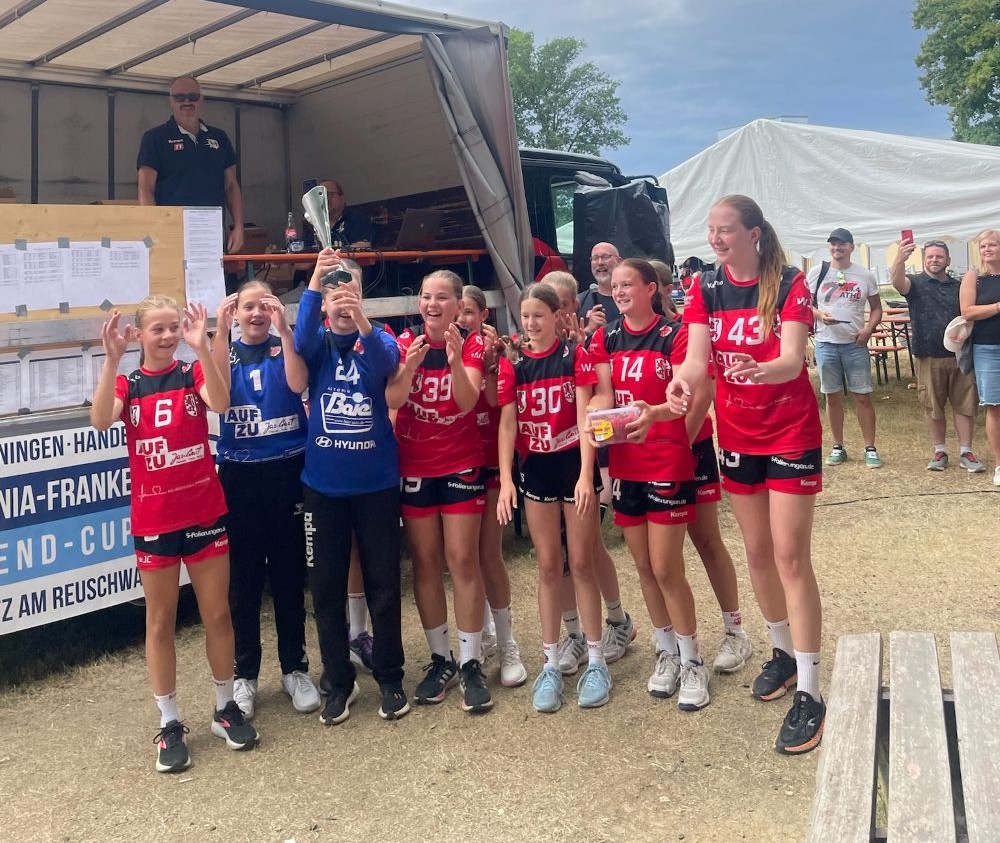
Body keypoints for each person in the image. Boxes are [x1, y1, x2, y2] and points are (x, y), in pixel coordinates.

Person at [668, 194, 826, 755]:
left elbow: (792, 360)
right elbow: (696, 360)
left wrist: (761, 370)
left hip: (790, 433)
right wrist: (682, 381)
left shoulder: (788, 283)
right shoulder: (704, 287)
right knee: (757, 553)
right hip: (737, 437)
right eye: (711, 230)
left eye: (726, 229)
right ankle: (782, 653)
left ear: (753, 233)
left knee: (789, 556)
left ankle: (810, 690)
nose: (715, 238)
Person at [90, 296, 258, 774]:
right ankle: (169, 722)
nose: (166, 337)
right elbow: (100, 420)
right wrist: (110, 360)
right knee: (160, 622)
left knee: (217, 614)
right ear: (140, 335)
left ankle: (225, 708)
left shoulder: (191, 372)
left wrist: (201, 346)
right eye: (157, 329)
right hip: (155, 519)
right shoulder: (129, 382)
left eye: (172, 328)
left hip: (204, 512)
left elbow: (221, 403)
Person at [289, 248, 408, 724]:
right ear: (323, 302)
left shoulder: (380, 337)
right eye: (335, 293)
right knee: (325, 590)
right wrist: (314, 281)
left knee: (384, 584)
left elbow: (384, 366)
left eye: (351, 290)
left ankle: (391, 676)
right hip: (323, 488)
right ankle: (338, 680)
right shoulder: (317, 342)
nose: (343, 299)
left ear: (362, 295)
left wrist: (361, 320)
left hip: (376, 484)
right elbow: (300, 339)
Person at [587, 259, 711, 711]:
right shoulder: (605, 337)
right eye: (615, 285)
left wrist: (658, 419)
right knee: (642, 566)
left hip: (666, 461)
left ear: (650, 289)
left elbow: (686, 398)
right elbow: (603, 394)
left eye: (627, 284)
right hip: (626, 465)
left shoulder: (673, 335)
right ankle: (666, 652)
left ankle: (692, 659)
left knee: (665, 567)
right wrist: (593, 413)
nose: (619, 291)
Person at [496, 283, 611, 712]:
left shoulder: (572, 356)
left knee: (580, 563)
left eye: (538, 315)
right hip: (537, 469)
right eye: (525, 316)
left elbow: (585, 418)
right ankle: (549, 661)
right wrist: (506, 480)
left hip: (572, 463)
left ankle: (596, 659)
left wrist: (586, 475)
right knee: (547, 565)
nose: (530, 323)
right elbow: (508, 424)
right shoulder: (514, 363)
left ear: (556, 316)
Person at [210, 283, 320, 721]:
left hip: (287, 470)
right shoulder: (226, 351)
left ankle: (295, 668)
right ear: (235, 312)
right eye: (247, 306)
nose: (256, 314)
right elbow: (218, 396)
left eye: (264, 306)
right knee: (244, 582)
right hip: (240, 476)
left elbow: (298, 383)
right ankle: (245, 675)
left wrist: (286, 331)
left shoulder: (283, 346)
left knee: (290, 575)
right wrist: (219, 333)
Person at [387, 270, 493, 714]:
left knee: (462, 559)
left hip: (460, 462)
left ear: (457, 304)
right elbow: (393, 399)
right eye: (426, 297)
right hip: (414, 465)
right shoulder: (404, 342)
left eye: (442, 298)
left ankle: (470, 662)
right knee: (425, 561)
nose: (432, 304)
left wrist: (452, 360)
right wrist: (411, 365)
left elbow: (467, 401)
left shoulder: (472, 343)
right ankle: (440, 658)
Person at [543, 270, 638, 672]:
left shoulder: (585, 347)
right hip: (550, 463)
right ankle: (575, 634)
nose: (552, 312)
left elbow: (605, 398)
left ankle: (617, 621)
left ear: (572, 306)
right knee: (561, 554)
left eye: (559, 304)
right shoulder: (532, 346)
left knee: (589, 548)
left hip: (589, 460)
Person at [456, 286, 528, 688]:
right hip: (458, 464)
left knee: (489, 553)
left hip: (491, 464)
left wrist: (490, 363)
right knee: (463, 558)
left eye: (469, 311)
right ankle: (481, 634)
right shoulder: (449, 353)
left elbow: (497, 405)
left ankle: (507, 642)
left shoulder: (498, 357)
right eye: (458, 312)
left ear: (484, 315)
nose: (462, 319)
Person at [891, 238, 984, 472]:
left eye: (939, 256)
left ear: (948, 260)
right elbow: (897, 282)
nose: (934, 260)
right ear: (924, 259)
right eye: (930, 256)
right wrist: (900, 259)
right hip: (928, 355)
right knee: (933, 406)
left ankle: (966, 452)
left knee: (965, 405)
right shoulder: (915, 284)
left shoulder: (958, 286)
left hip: (960, 355)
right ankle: (940, 451)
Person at [137, 75, 243, 254]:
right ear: (171, 101)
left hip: (210, 233)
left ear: (201, 100)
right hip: (172, 233)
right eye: (180, 97)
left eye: (192, 97)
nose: (187, 102)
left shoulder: (219, 137)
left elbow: (231, 186)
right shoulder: (155, 138)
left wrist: (238, 227)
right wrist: (154, 229)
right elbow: (145, 188)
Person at [806, 228, 883, 468]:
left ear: (851, 247)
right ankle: (837, 446)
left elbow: (877, 308)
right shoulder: (817, 272)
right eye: (833, 244)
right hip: (826, 343)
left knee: (863, 396)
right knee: (832, 397)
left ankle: (870, 448)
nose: (836, 248)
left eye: (841, 244)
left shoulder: (864, 275)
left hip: (855, 344)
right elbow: (805, 304)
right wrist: (820, 315)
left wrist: (868, 330)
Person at [960, 229, 1000, 485]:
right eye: (983, 246)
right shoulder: (974, 277)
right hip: (987, 349)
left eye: (992, 245)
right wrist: (997, 307)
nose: (987, 249)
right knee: (995, 406)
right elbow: (967, 312)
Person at [578, 242, 622, 342]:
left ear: (619, 261)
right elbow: (571, 345)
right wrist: (588, 330)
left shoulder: (630, 300)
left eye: (606, 257)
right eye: (595, 258)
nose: (600, 263)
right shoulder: (579, 301)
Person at [320, 180, 373, 249]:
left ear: (342, 198)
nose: (325, 199)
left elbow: (363, 245)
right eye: (320, 196)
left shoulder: (357, 219)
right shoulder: (313, 224)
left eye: (329, 194)